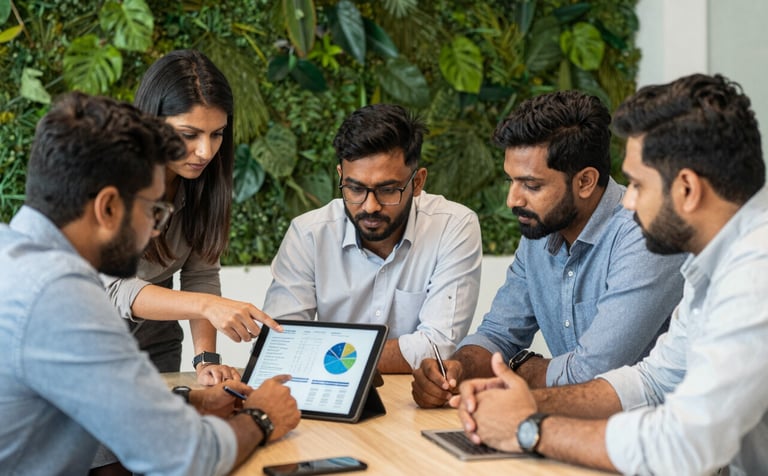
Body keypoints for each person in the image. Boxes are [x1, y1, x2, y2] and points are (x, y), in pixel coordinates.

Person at [452, 73, 768, 475]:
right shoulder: (713, 266)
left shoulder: (756, 276)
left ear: (686, 188)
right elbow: (652, 381)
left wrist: (530, 429)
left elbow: (684, 447)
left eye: (637, 184)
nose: (629, 202)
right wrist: (524, 403)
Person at [0, 91, 300, 475]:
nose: (155, 231)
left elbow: (96, 401)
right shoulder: (61, 296)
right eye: (154, 211)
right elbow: (185, 458)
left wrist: (190, 402)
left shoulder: (18, 262)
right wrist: (261, 418)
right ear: (108, 208)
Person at [412, 90, 686, 407]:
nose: (513, 200)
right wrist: (456, 369)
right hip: (574, 425)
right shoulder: (541, 229)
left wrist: (518, 369)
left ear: (585, 182)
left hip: (655, 441)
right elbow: (499, 334)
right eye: (510, 181)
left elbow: (594, 373)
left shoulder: (645, 236)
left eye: (532, 185)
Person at [102, 49, 279, 385]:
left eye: (217, 134)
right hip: (88, 348)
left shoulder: (206, 183)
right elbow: (115, 288)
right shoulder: (112, 178)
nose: (206, 152)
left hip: (156, 347)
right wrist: (207, 306)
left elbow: (201, 273)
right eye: (189, 134)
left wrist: (206, 361)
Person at [262, 103, 483, 373]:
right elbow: (278, 344)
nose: (370, 206)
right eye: (355, 188)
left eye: (388, 190)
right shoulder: (308, 234)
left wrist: (327, 356)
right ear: (341, 176)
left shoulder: (454, 226)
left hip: (415, 402)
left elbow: (438, 346)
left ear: (417, 182)